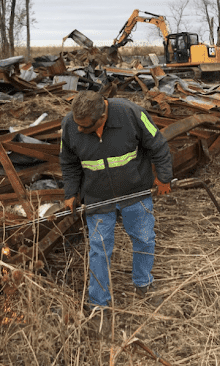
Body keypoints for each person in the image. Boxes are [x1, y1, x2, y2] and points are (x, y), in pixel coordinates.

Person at [59, 90, 173, 324]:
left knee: (144, 238)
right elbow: (68, 162)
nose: (79, 131)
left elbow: (158, 146)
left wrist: (164, 177)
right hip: (97, 197)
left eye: (85, 127)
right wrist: (70, 193)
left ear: (102, 117)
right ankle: (99, 304)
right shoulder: (70, 124)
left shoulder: (131, 113)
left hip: (135, 192)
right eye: (77, 126)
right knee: (100, 250)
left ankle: (143, 282)